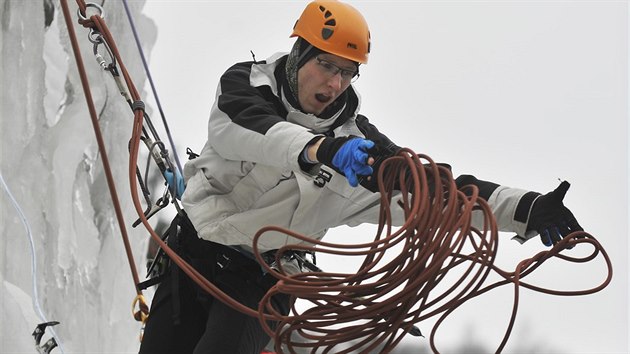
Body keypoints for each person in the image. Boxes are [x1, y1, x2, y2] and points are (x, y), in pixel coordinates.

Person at [139, 1, 583, 353]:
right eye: (328, 66)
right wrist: (321, 149)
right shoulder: (245, 86)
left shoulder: (361, 151)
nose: (336, 84)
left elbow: (435, 193)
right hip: (191, 253)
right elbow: (256, 132)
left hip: (263, 281)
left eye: (348, 73)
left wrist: (524, 208)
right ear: (299, 55)